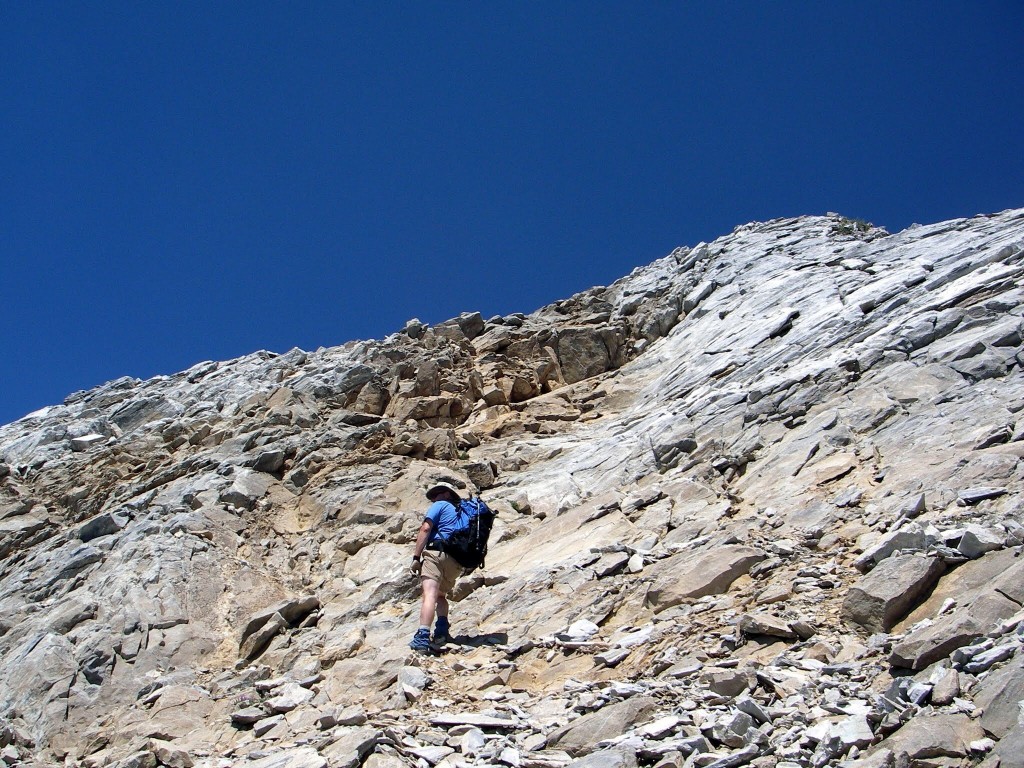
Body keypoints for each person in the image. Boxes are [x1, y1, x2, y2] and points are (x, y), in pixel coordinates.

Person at [409, 481, 465, 652]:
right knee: (441, 596)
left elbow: (425, 529)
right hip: (456, 561)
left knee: (430, 594)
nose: (434, 498)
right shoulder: (462, 512)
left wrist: (416, 557)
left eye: (438, 493)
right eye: (433, 496)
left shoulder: (440, 505)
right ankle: (441, 632)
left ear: (447, 494)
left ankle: (423, 637)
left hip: (436, 554)